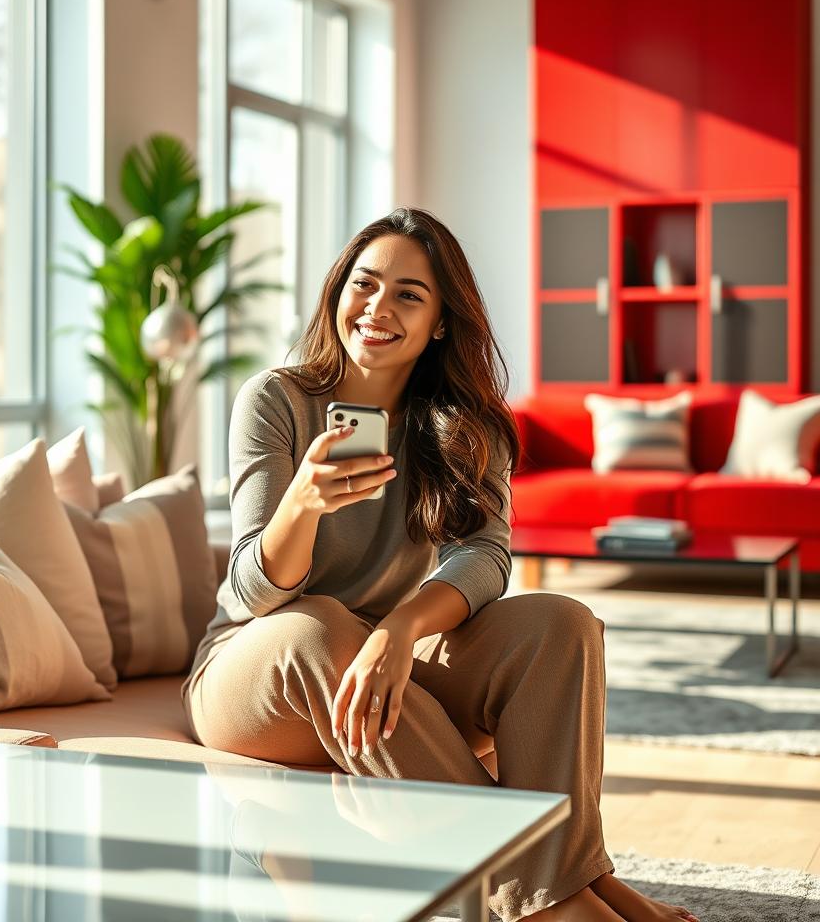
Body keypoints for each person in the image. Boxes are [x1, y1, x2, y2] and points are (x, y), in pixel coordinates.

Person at [182, 207, 699, 922]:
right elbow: (248, 593)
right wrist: (300, 502)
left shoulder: (467, 423)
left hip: (383, 654)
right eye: (363, 284)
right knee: (318, 625)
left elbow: (486, 556)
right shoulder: (277, 400)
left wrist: (399, 629)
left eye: (408, 295)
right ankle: (563, 899)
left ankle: (569, 882)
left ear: (441, 323)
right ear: (337, 292)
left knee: (563, 622)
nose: (378, 308)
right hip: (257, 672)